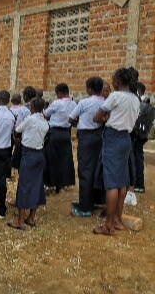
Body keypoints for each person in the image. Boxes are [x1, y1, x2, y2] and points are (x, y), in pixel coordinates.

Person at [93, 68, 140, 236]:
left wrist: (104, 118)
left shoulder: (115, 96)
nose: (112, 82)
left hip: (113, 138)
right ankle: (117, 220)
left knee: (112, 183)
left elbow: (98, 116)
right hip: (126, 139)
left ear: (119, 81)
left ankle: (107, 226)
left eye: (113, 79)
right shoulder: (135, 99)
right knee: (122, 182)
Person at [8, 97, 49, 230]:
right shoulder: (45, 121)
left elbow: (18, 129)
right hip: (39, 154)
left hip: (28, 154)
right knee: (37, 185)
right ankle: (31, 217)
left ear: (31, 107)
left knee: (24, 185)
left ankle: (20, 220)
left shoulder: (30, 119)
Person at [69, 77, 105, 217]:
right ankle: (96, 200)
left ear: (89, 89)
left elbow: (71, 118)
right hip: (101, 137)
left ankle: (85, 207)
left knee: (85, 170)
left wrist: (80, 122)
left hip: (86, 138)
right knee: (97, 168)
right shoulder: (105, 102)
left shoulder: (84, 102)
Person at [43, 83, 77, 193]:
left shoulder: (56, 103)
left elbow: (46, 114)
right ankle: (61, 184)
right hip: (66, 134)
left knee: (51, 158)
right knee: (64, 159)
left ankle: (50, 184)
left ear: (60, 93)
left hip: (54, 133)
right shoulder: (73, 104)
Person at [0, 91, 16, 218]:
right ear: (8, 100)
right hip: (5, 150)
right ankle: (1, 209)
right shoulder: (11, 115)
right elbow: (12, 133)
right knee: (1, 180)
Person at [130, 81, 154, 195]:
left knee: (135, 158)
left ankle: (137, 184)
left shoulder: (138, 103)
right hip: (143, 135)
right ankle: (139, 184)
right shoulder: (148, 104)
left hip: (135, 134)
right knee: (139, 157)